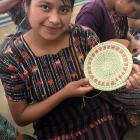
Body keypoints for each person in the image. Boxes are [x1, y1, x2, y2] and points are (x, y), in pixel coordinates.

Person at [0, 0, 140, 139]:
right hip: (55, 127)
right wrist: (64, 94)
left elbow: (102, 79)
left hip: (98, 113)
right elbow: (21, 117)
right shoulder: (12, 58)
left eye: (64, 9)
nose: (55, 19)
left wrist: (124, 74)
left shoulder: (84, 37)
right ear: (26, 6)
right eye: (45, 7)